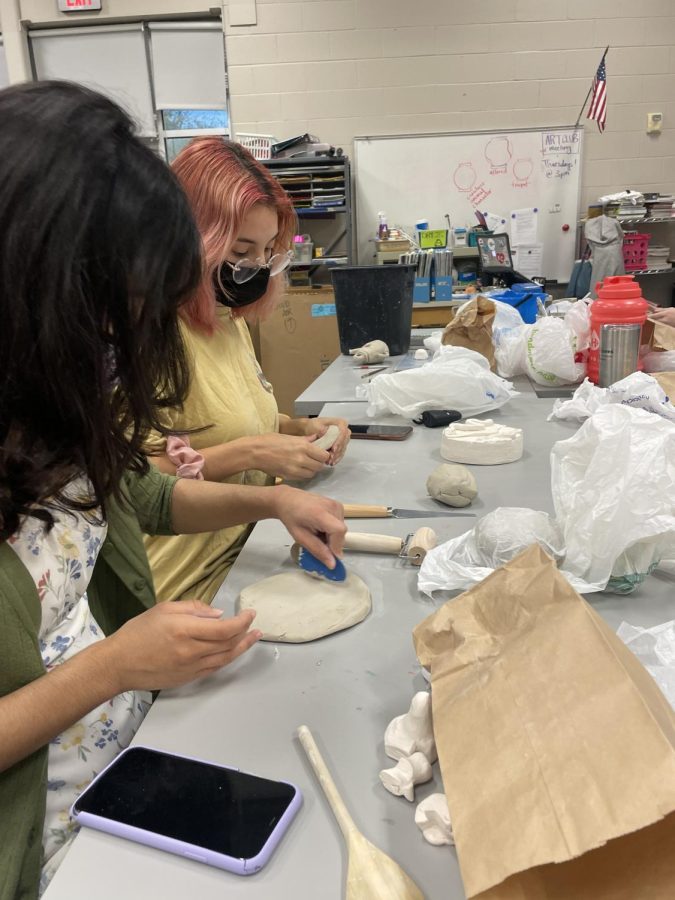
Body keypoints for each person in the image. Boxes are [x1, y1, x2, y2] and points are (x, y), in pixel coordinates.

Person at [0, 81, 345, 900]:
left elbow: (144, 498)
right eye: (115, 312)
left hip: (123, 747)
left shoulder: (48, 409)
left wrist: (272, 500)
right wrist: (113, 666)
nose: (129, 339)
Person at [143, 138, 350, 604]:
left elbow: (219, 420)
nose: (254, 268)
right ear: (188, 239)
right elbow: (125, 485)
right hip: (181, 585)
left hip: (244, 548)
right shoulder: (146, 338)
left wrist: (298, 428)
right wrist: (251, 453)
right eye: (240, 252)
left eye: (265, 252)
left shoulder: (223, 318)